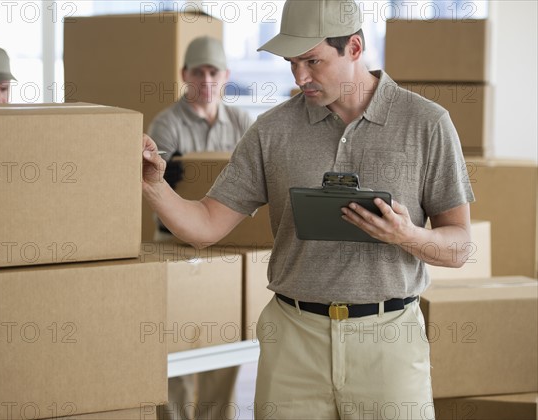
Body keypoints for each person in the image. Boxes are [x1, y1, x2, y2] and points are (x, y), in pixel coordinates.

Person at [142, 0, 474, 418]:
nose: (300, 77)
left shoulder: (427, 124)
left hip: (388, 342)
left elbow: (460, 247)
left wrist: (409, 236)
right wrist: (152, 186)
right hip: (293, 340)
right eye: (291, 62)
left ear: (354, 48)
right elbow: (204, 226)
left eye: (312, 61)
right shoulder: (272, 130)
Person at [148, 36, 253, 420]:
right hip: (173, 244)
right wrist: (168, 180)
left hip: (226, 247)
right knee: (174, 349)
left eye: (214, 71)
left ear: (225, 76)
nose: (206, 79)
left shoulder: (242, 121)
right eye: (198, 71)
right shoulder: (167, 123)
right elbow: (151, 189)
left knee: (223, 344)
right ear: (184, 75)